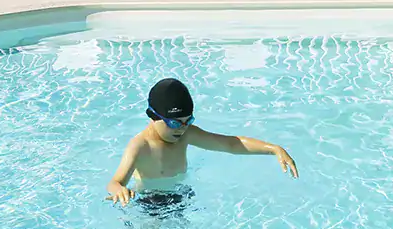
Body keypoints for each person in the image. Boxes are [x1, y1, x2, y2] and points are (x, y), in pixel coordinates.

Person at [105, 78, 299, 205]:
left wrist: (274, 149)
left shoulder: (186, 134)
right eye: (174, 123)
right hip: (150, 202)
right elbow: (115, 181)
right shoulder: (140, 146)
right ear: (153, 117)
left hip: (182, 194)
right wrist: (119, 190)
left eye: (188, 121)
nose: (181, 128)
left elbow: (230, 144)